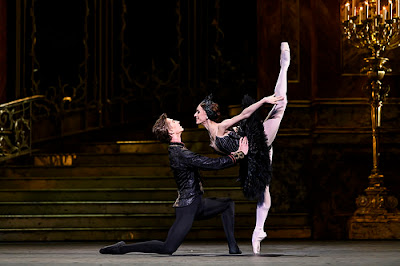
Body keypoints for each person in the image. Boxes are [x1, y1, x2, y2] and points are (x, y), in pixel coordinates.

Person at [99, 113, 248, 255]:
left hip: (196, 203)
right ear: (170, 131)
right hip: (187, 207)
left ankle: (233, 247)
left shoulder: (180, 150)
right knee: (167, 248)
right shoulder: (179, 153)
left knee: (228, 204)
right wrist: (239, 154)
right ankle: (122, 248)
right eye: (172, 122)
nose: (177, 121)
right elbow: (211, 164)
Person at [194, 42, 290, 254]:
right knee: (263, 192)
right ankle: (258, 231)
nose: (195, 115)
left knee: (279, 107)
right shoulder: (213, 138)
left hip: (256, 139)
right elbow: (229, 158)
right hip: (252, 155)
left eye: (198, 112)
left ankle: (284, 66)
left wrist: (264, 100)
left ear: (207, 115)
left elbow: (244, 115)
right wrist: (240, 154)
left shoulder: (220, 127)